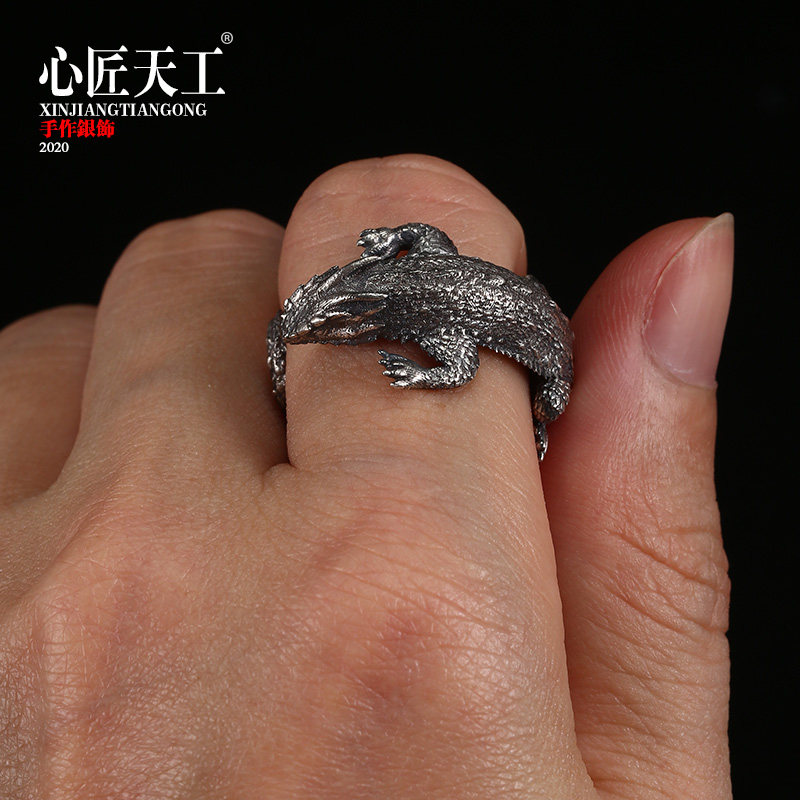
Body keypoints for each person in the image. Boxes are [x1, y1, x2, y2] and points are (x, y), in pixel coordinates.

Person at [0, 154, 732, 798]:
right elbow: (430, 236)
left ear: (380, 315)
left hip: (546, 363)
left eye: (335, 329)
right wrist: (389, 241)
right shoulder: (412, 280)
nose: (319, 335)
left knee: (550, 410)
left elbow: (460, 366)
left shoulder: (428, 317)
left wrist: (415, 380)